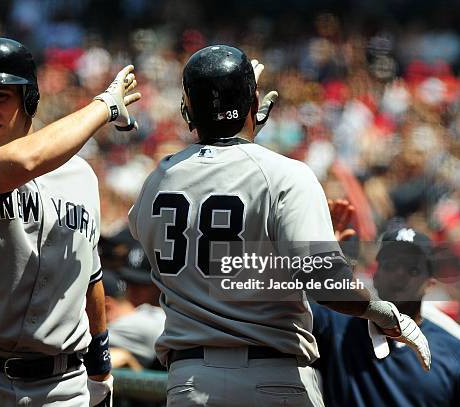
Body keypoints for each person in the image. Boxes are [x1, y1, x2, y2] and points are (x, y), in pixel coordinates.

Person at [128, 44, 430, 407]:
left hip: (188, 380)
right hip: (270, 377)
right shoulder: (285, 173)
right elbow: (323, 281)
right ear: (255, 104)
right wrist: (382, 311)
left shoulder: (158, 180)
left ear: (188, 109)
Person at [0, 37, 140, 406]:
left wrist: (100, 367)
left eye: (0, 97)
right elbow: (24, 162)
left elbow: (89, 275)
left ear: (29, 99)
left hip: (61, 385)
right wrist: (103, 106)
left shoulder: (81, 176)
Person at [312, 201, 460, 407]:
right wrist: (320, 258)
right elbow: (286, 307)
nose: (399, 273)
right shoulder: (335, 326)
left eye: (412, 269)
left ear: (430, 283)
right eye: (391, 265)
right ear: (375, 276)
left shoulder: (453, 352)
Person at [103, 242, 165, 369]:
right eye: (129, 282)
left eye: (142, 284)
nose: (133, 290)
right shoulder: (144, 314)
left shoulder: (148, 321)